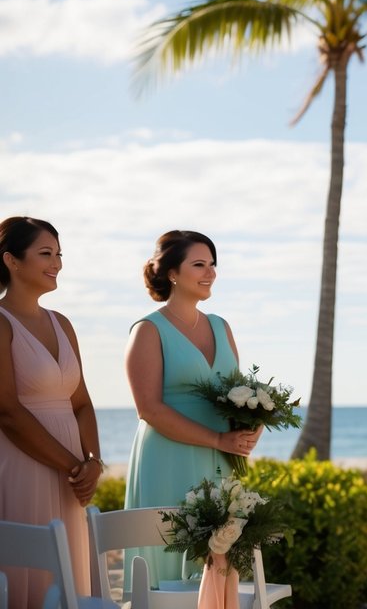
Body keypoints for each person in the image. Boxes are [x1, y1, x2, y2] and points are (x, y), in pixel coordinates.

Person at [124, 230, 260, 587]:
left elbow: (237, 394)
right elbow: (149, 409)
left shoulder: (221, 326)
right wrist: (217, 438)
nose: (210, 272)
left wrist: (252, 423)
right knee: (168, 559)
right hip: (169, 458)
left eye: (213, 264)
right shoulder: (148, 330)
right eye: (199, 264)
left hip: (222, 459)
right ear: (171, 273)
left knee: (220, 557)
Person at [0, 216, 100, 608]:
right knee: (29, 570)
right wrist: (75, 465)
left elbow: (82, 403)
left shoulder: (63, 324)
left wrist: (93, 460)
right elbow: (6, 412)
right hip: (24, 465)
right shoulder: (2, 323)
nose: (56, 262)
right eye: (46, 253)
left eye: (59, 254)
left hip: (71, 474)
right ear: (11, 260)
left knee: (69, 570)